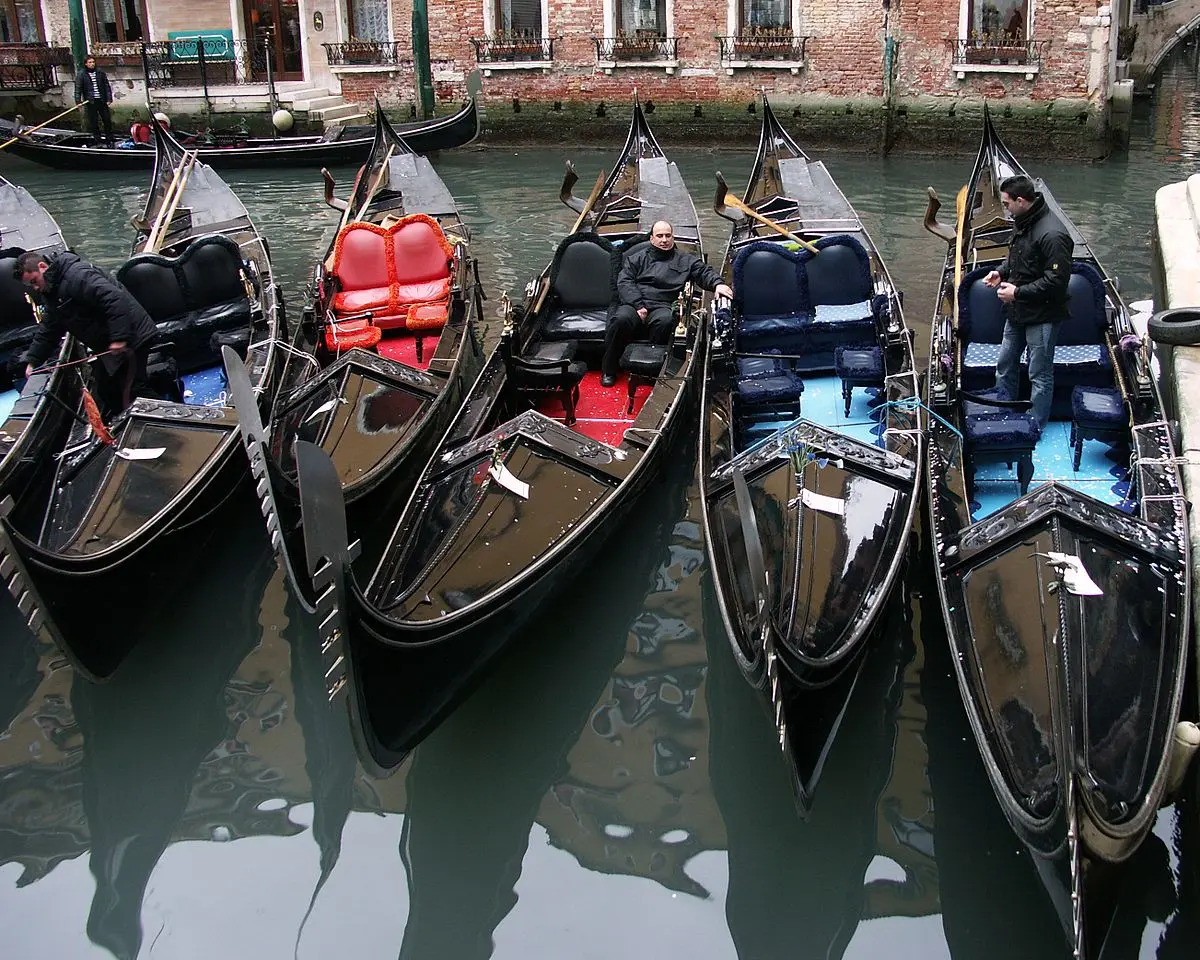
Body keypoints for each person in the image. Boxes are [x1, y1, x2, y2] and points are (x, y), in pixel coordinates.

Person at [17, 250, 158, 415]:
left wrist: (119, 338)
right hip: (111, 343)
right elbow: (50, 328)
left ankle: (165, 420)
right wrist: (33, 360)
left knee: (133, 388)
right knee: (106, 390)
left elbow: (114, 299)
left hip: (133, 336)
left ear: (42, 267)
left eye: (34, 281)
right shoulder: (51, 291)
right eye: (30, 285)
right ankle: (125, 423)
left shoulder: (77, 275)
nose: (35, 288)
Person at [982, 174, 1072, 431]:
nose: (1005, 208)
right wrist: (1000, 272)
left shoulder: (1053, 234)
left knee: (1039, 374)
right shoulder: (1023, 221)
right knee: (1004, 364)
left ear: (1021, 201)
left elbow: (1057, 282)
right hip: (1018, 312)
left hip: (1043, 315)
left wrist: (1017, 293)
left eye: (1007, 203)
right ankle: (1004, 414)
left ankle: (1035, 426)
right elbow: (1019, 258)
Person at [602, 220, 734, 386]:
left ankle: (649, 367)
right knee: (620, 319)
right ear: (652, 239)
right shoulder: (636, 259)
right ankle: (609, 369)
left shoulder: (686, 260)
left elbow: (703, 272)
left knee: (665, 321)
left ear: (673, 238)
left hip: (663, 305)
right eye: (659, 236)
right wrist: (638, 305)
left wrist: (718, 283)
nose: (664, 240)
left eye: (667, 235)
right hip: (634, 304)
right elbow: (625, 282)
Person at [75, 54, 114, 146]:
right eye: (90, 62)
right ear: (86, 64)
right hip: (90, 101)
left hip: (102, 100)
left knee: (107, 119)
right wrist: (78, 101)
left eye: (93, 62)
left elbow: (106, 86)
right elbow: (78, 88)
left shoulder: (100, 72)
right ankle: (97, 139)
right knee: (94, 121)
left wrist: (109, 98)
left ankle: (109, 138)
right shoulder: (81, 74)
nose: (92, 64)